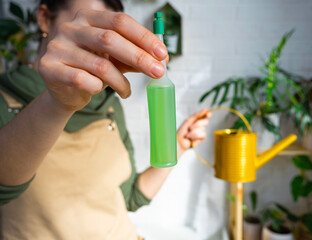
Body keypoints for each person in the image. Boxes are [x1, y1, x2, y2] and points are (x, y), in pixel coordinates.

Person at [0, 0, 211, 239]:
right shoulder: (4, 98)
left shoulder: (109, 105)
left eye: (103, 32)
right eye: (86, 24)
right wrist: (57, 104)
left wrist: (179, 145)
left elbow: (129, 197)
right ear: (44, 18)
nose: (95, 41)